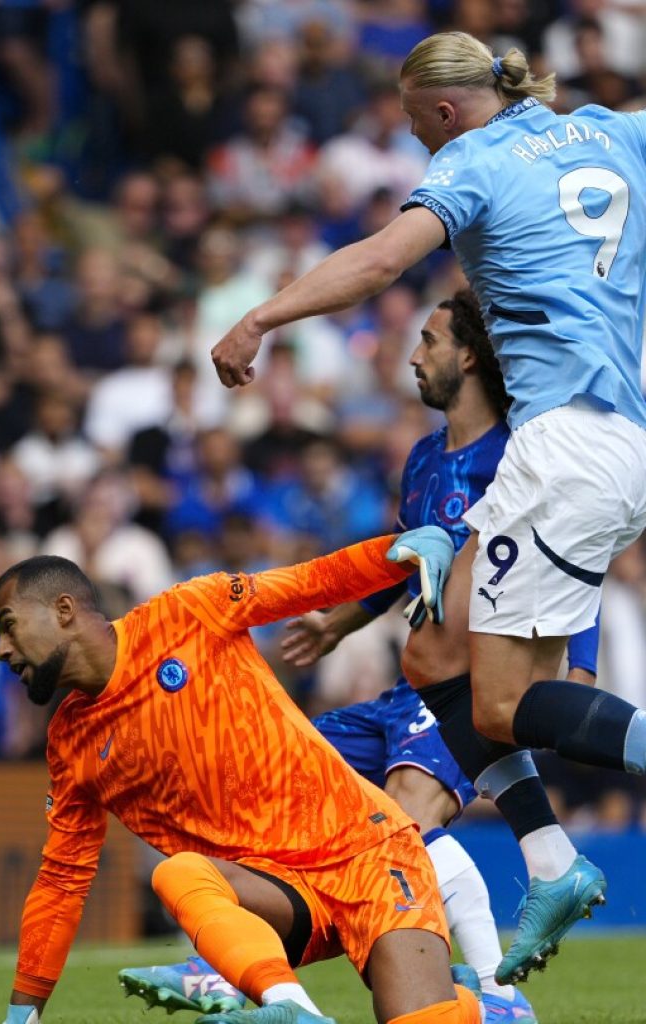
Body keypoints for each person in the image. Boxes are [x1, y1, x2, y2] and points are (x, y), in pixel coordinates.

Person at [209, 30, 646, 981]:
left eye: (415, 128)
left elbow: (377, 263)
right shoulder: (611, 131)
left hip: (562, 445)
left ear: (444, 112)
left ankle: (555, 860)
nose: (417, 146)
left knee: (488, 695)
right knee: (445, 661)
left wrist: (259, 317)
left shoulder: (473, 162)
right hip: (620, 444)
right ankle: (553, 862)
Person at [124, 290, 597, 1021]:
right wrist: (338, 625)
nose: (414, 356)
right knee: (281, 789)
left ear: (469, 356)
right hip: (402, 685)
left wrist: (582, 668)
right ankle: (229, 961)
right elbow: (407, 561)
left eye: (430, 342)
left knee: (407, 823)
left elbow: (568, 557)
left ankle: (499, 998)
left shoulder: (514, 456)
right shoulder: (423, 459)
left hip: (466, 688)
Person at [0, 531, 485, 1024]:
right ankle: (289, 1007)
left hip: (368, 853)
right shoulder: (70, 742)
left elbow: (307, 583)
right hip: (277, 896)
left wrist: (399, 549)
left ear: (63, 610)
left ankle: (470, 1005)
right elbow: (61, 881)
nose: (1, 649)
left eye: (8, 626)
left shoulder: (186, 613)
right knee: (179, 872)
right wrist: (22, 1013)